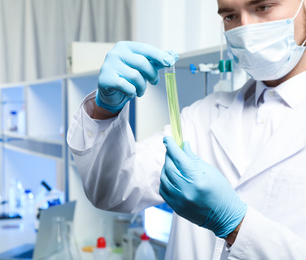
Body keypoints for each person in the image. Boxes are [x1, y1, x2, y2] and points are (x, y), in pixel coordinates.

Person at [67, 0, 306, 259]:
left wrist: (237, 225)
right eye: (230, 16)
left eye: (262, 7)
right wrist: (105, 110)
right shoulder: (203, 115)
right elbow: (113, 191)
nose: (245, 29)